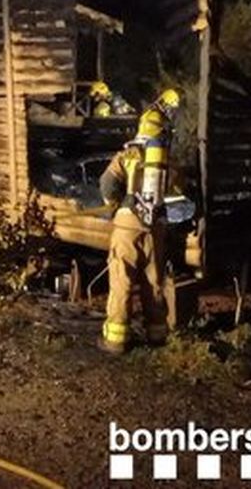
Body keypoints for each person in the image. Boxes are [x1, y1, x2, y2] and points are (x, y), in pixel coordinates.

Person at [97, 89, 182, 353]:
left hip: (126, 226)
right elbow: (179, 193)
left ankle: (116, 339)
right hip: (155, 228)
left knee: (122, 280)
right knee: (153, 282)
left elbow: (107, 183)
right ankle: (157, 334)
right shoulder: (168, 164)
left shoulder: (128, 156)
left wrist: (115, 206)